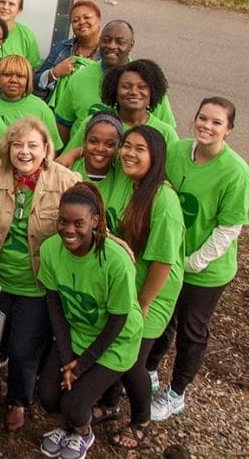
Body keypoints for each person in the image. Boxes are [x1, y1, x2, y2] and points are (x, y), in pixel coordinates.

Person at [0, 117, 80, 432]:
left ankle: (19, 400)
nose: (25, 152)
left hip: (36, 283)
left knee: (22, 350)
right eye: (18, 144)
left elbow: (89, 216)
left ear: (46, 149)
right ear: (8, 148)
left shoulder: (65, 180)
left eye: (33, 145)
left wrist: (114, 241)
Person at [147, 98, 248, 422]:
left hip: (204, 271)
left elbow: (229, 227)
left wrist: (193, 262)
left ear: (228, 130)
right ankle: (149, 370)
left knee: (192, 330)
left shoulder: (235, 171)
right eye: (202, 118)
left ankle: (176, 392)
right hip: (170, 259)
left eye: (216, 122)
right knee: (163, 320)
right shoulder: (177, 151)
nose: (207, 126)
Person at [37, 182, 143, 459]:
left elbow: (119, 318)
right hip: (76, 334)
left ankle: (82, 431)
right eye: (63, 221)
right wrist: (66, 355)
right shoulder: (50, 250)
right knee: (48, 396)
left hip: (114, 341)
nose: (68, 230)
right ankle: (70, 424)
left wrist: (81, 365)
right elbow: (54, 304)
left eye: (78, 223)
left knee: (74, 405)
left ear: (95, 222)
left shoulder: (116, 261)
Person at [94, 125, 183, 449]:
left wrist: (143, 305)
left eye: (139, 149)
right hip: (126, 286)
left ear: (156, 156)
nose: (129, 153)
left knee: (132, 360)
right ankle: (110, 404)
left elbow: (163, 263)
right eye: (126, 146)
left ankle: (141, 419)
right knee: (114, 347)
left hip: (152, 291)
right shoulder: (125, 181)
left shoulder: (164, 200)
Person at [52, 20, 176, 142]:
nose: (112, 46)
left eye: (120, 42)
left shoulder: (148, 83)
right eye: (106, 40)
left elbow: (167, 132)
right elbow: (63, 123)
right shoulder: (79, 78)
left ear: (131, 45)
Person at [61, 59, 179, 155]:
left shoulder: (166, 133)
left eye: (142, 87)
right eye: (126, 86)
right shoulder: (93, 123)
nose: (133, 92)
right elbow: (67, 162)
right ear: (114, 91)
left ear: (152, 91)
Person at [33, 0, 101, 99]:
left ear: (99, 20)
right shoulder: (62, 48)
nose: (81, 22)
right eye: (75, 20)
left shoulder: (108, 53)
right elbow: (36, 82)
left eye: (87, 17)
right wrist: (54, 73)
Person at [0, 54, 63, 151]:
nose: (13, 80)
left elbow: (53, 147)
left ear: (28, 80)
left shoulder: (40, 108)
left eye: (20, 76)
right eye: (7, 75)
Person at [69, 111, 123, 195]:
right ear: (84, 141)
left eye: (109, 144)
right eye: (93, 141)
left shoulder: (122, 174)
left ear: (119, 147)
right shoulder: (68, 172)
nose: (100, 149)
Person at [0, 0, 42, 68]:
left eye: (11, 4)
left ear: (19, 9)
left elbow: (33, 67)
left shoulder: (26, 35)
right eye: (2, 2)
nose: (5, 7)